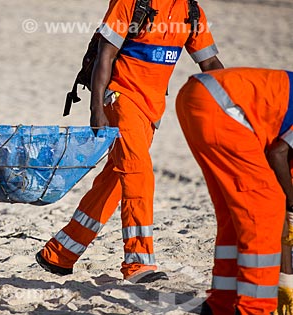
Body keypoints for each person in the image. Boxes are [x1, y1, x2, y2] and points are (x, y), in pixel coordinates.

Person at [36, 0, 224, 283]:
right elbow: (106, 54)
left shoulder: (191, 11)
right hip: (120, 99)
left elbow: (209, 63)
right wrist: (96, 107)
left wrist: (233, 99)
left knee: (114, 179)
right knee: (139, 176)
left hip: (152, 110)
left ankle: (60, 253)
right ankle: (138, 264)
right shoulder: (132, 2)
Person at [175, 67, 293, 315]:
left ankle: (220, 310)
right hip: (221, 105)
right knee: (267, 206)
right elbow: (278, 154)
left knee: (234, 212)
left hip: (199, 97)